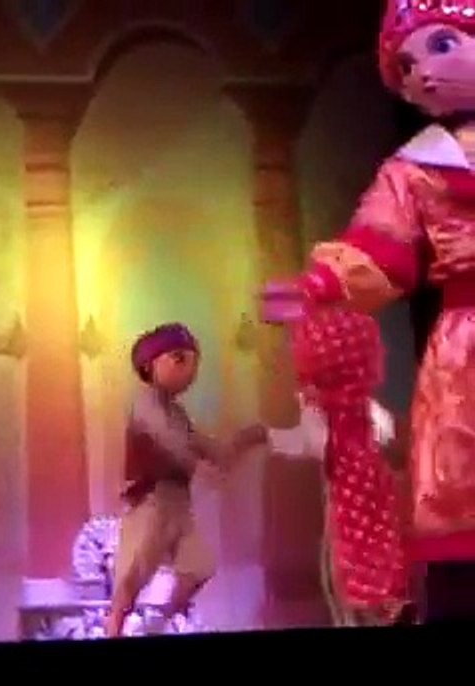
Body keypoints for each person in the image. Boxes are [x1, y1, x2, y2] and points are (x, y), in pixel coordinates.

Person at [260, 0, 475, 621]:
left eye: (441, 46)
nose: (422, 73)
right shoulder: (412, 170)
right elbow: (381, 248)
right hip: (466, 355)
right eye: (406, 67)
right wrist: (320, 283)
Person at [236, 308, 410, 625]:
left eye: (314, 381)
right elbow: (307, 442)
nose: (304, 391)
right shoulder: (330, 413)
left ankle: (386, 609)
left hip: (366, 512)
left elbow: (386, 443)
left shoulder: (360, 412)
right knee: (341, 582)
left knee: (356, 583)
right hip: (345, 510)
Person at [105, 322, 251, 637]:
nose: (189, 371)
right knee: (134, 572)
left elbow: (201, 443)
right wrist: (198, 463)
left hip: (178, 503)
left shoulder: (178, 413)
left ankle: (158, 624)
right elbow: (169, 439)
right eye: (179, 359)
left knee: (198, 566)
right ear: (149, 365)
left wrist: (237, 445)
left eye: (193, 363)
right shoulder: (145, 403)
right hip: (150, 500)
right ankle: (113, 628)